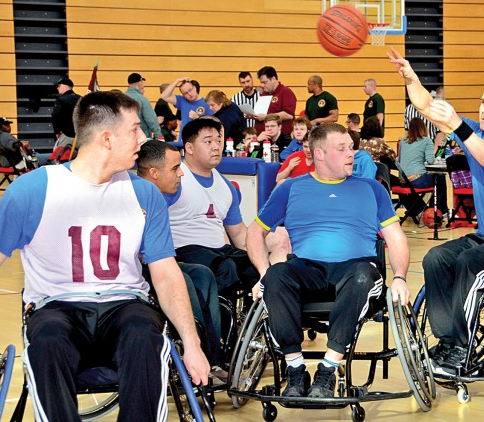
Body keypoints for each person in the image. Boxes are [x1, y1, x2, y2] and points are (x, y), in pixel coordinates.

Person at [0, 91, 209, 421]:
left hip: (125, 305)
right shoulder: (32, 190)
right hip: (57, 306)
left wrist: (193, 343)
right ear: (107, 138)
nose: (144, 138)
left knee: (144, 331)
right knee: (48, 339)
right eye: (135, 129)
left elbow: (166, 272)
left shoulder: (144, 193)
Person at [388, 48, 484, 376]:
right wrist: (411, 77)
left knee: (470, 264)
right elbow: (427, 107)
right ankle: (448, 341)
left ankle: (461, 350)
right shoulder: (473, 132)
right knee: (436, 258)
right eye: (482, 102)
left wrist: (459, 125)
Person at [246, 122, 411, 398]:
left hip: (356, 268)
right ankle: (295, 370)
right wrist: (263, 272)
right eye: (342, 148)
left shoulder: (372, 189)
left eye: (351, 147)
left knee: (361, 276)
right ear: (319, 154)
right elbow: (255, 231)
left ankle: (328, 370)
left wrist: (399, 277)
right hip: (306, 269)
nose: (352, 154)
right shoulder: (290, 188)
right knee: (276, 276)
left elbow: (395, 238)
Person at [136, 140, 226, 385]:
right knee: (183, 280)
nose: (181, 173)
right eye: (175, 168)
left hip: (155, 262)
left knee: (202, 274)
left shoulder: (158, 196)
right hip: (131, 270)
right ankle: (190, 356)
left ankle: (212, 357)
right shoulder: (133, 193)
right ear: (154, 173)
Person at [165, 118, 261, 300]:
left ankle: (246, 322)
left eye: (218, 140)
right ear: (190, 148)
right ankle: (218, 326)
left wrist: (260, 258)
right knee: (225, 267)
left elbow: (239, 234)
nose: (216, 146)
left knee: (254, 265)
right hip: (183, 250)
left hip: (219, 250)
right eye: (208, 141)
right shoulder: (175, 179)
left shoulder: (226, 186)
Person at [398, 117, 448, 216]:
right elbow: (430, 161)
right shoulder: (426, 141)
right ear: (423, 128)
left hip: (403, 181)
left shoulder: (403, 141)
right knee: (440, 177)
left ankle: (421, 210)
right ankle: (440, 210)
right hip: (417, 180)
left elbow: (400, 159)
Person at [252, 66, 297, 135]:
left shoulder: (286, 92)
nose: (262, 85)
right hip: (263, 136)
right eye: (261, 83)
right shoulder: (264, 93)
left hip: (281, 137)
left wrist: (265, 117)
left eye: (264, 82)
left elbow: (288, 115)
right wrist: (252, 115)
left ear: (273, 79)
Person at [124, 72, 162, 139]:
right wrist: (158, 136)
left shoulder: (121, 98)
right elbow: (151, 120)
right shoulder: (142, 99)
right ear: (139, 83)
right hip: (142, 139)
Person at [51, 77, 81, 148]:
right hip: (80, 135)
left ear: (65, 86)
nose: (57, 88)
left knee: (58, 154)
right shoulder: (80, 98)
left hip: (66, 134)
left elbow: (55, 115)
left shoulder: (61, 100)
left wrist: (57, 131)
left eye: (59, 86)